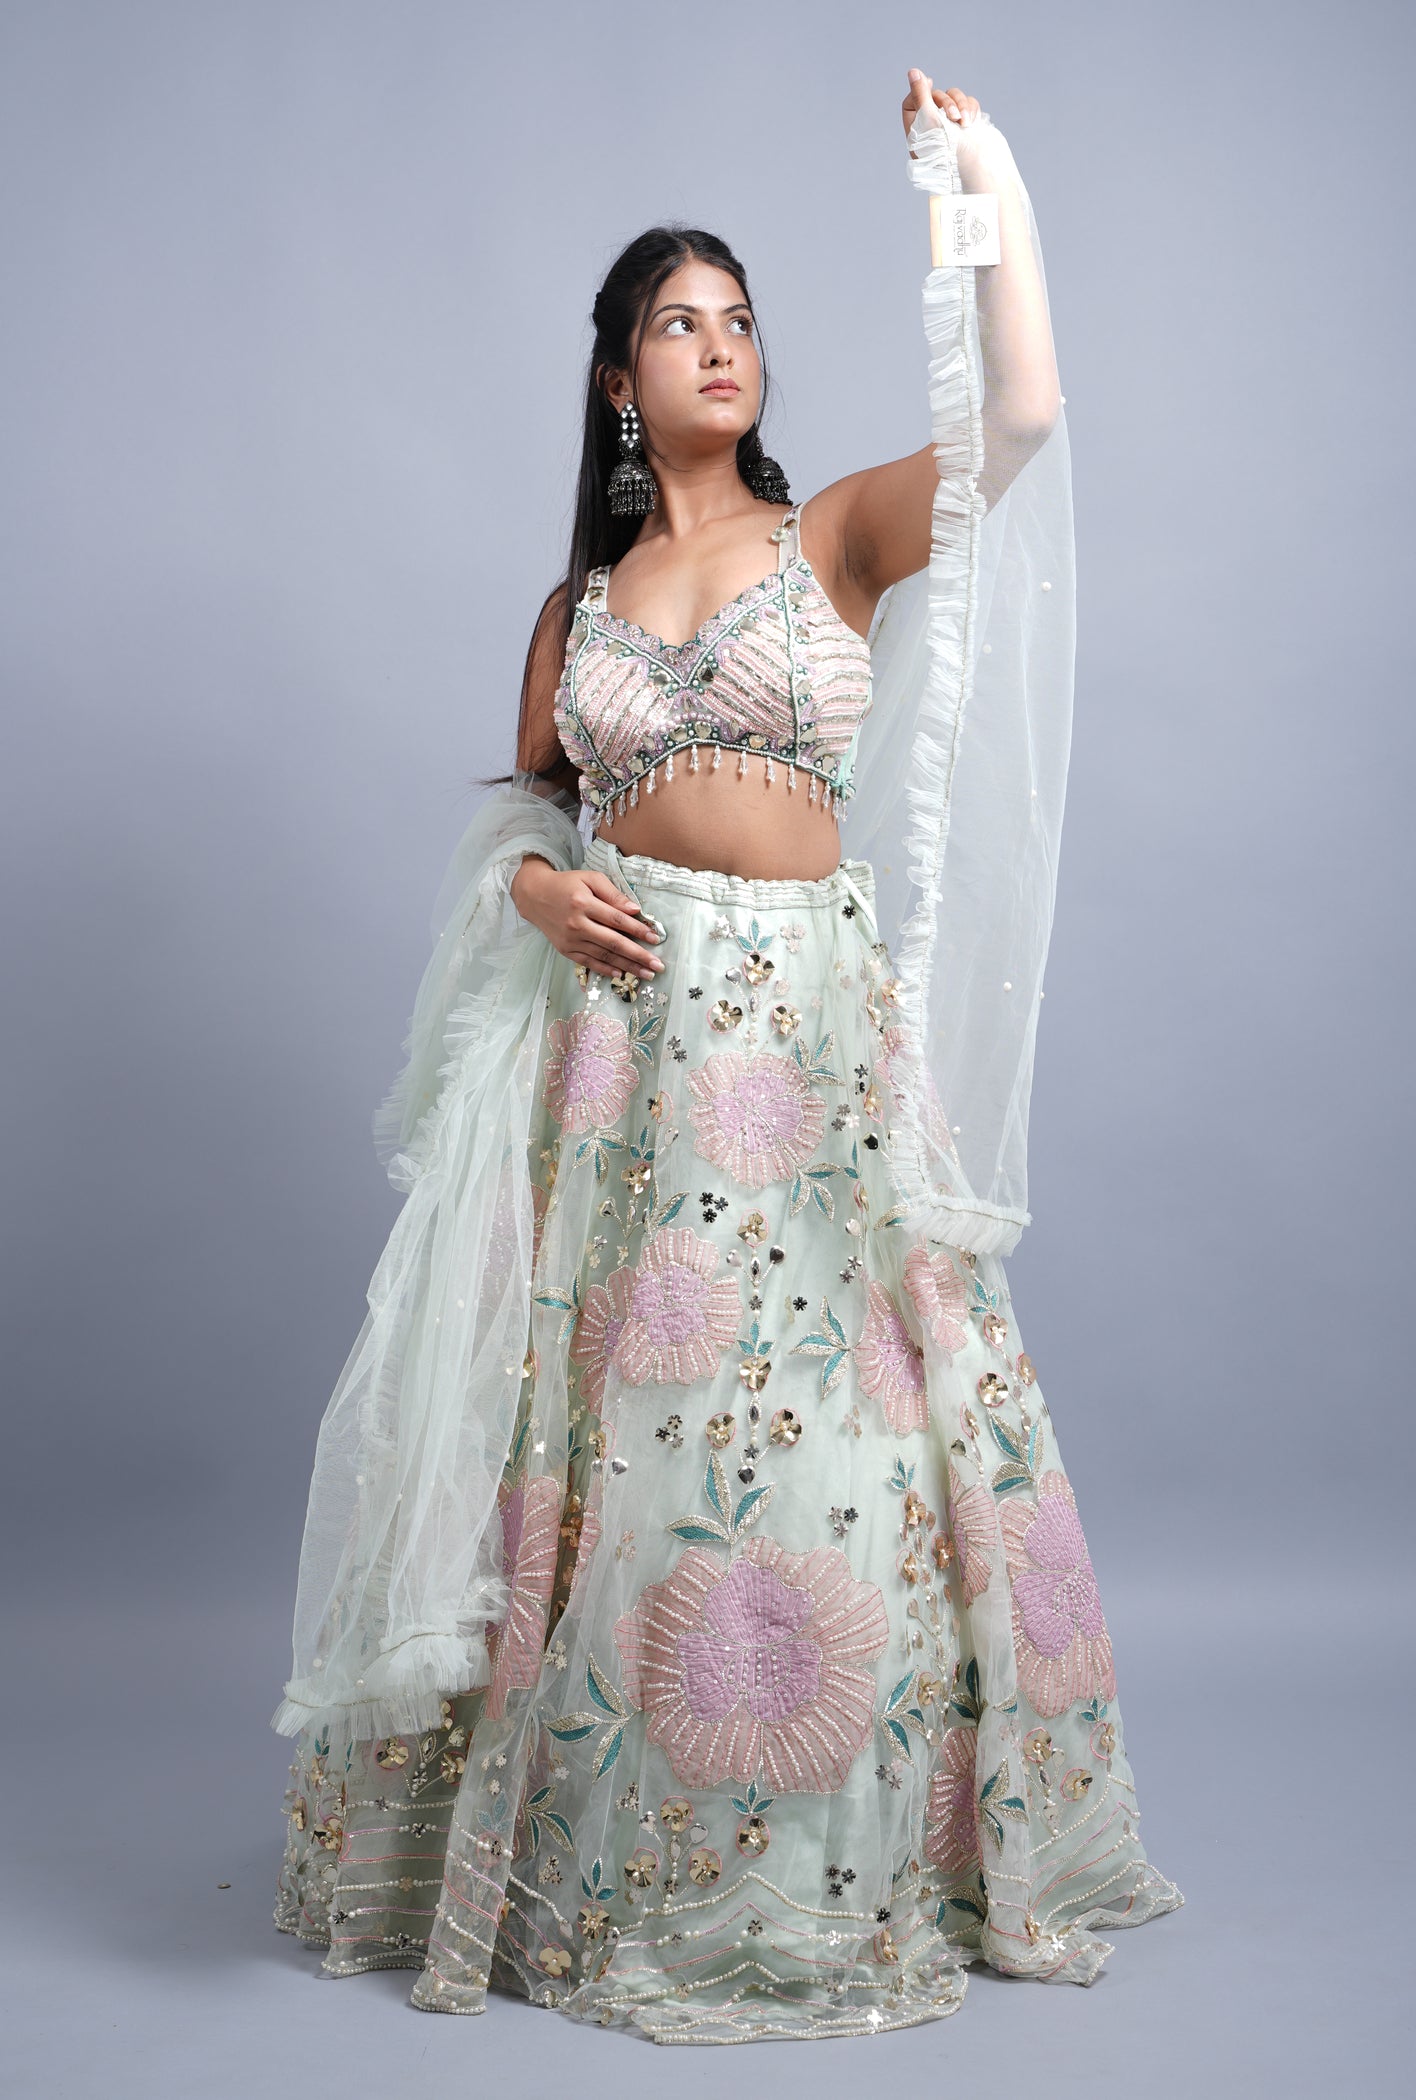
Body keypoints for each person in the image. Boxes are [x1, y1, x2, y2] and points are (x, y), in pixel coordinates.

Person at [272, 68, 1182, 2042]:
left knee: (843, 1429)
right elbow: (526, 819)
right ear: (619, 381)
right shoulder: (576, 607)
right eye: (679, 323)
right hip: (621, 1055)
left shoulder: (829, 531)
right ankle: (612, 1849)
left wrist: (985, 179)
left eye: (740, 318)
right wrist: (537, 893)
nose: (720, 346)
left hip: (803, 1035)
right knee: (616, 1441)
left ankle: (842, 1850)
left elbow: (1022, 413)